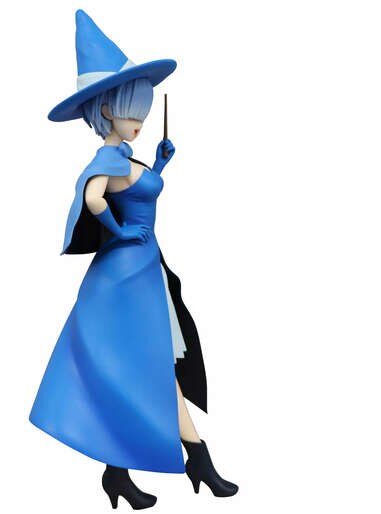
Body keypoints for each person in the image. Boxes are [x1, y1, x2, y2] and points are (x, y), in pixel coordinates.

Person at [29, 10, 238, 509]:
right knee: (145, 367)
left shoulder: (125, 157)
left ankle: (121, 474)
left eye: (142, 111)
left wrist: (159, 164)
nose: (139, 122)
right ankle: (198, 460)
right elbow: (93, 196)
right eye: (132, 112)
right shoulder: (108, 157)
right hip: (124, 275)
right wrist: (121, 231)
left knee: (140, 368)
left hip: (142, 269)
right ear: (107, 110)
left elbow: (130, 190)